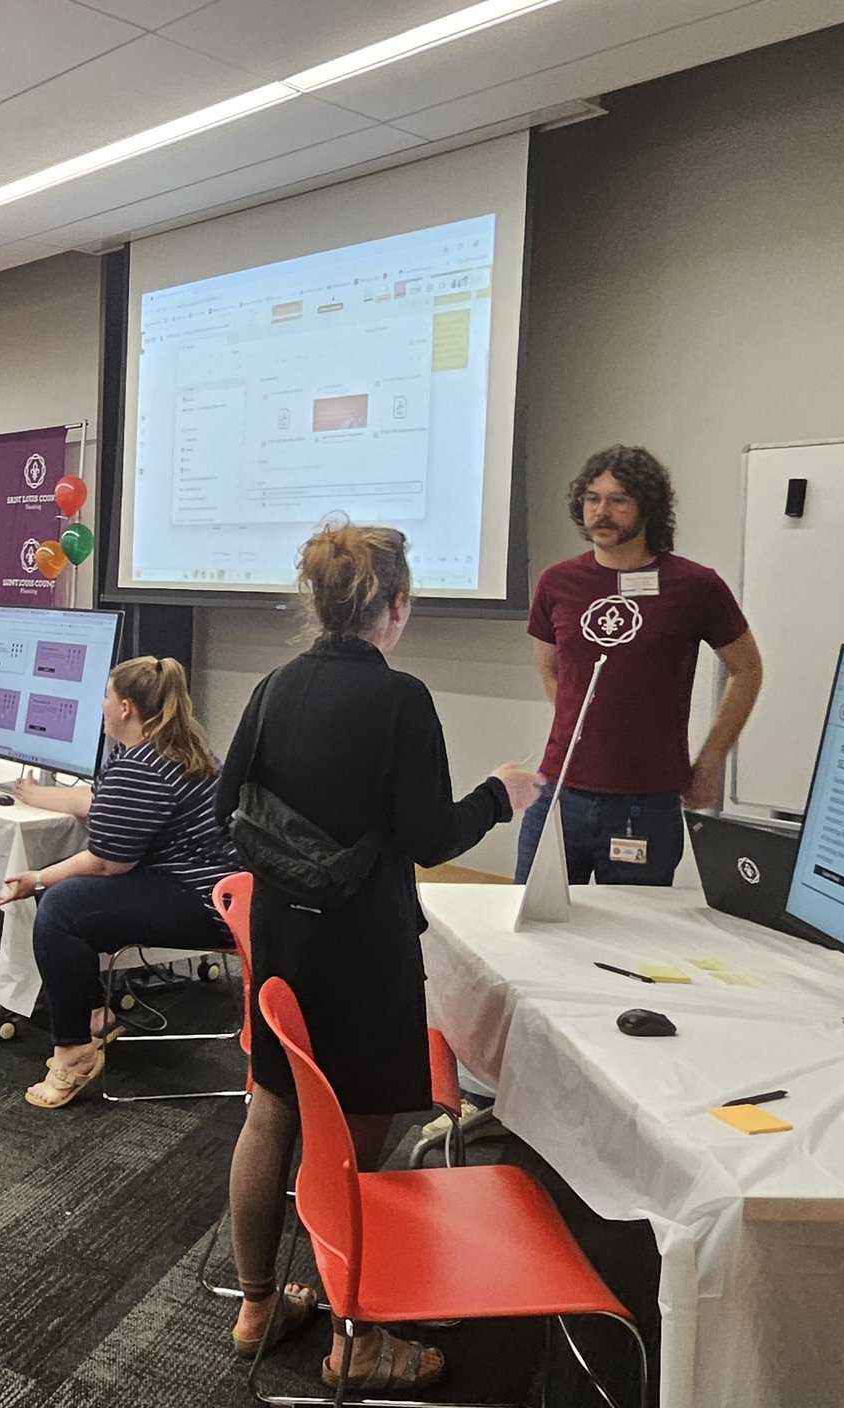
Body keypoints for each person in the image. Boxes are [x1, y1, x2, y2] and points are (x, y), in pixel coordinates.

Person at [215, 522, 542, 1390]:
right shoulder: (403, 700)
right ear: (396, 606)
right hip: (362, 952)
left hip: (285, 943)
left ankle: (257, 1306)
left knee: (275, 1114)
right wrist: (498, 797)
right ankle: (354, 1335)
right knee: (347, 1147)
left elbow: (227, 810)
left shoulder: (273, 686)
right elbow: (431, 834)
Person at [0, 657, 243, 1108]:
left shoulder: (141, 765)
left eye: (106, 697)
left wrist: (34, 879)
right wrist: (33, 793)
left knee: (61, 909)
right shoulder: (172, 745)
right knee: (69, 903)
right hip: (222, 892)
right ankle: (94, 1015)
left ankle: (75, 1053)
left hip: (206, 903)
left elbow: (108, 863)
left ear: (126, 707)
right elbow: (97, 800)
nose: (102, 705)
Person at [515, 445, 763, 885]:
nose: (601, 512)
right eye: (592, 498)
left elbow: (747, 670)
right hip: (559, 793)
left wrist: (710, 759)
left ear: (648, 507)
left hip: (646, 804)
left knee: (630, 944)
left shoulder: (695, 586)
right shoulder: (557, 582)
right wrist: (590, 728)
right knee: (532, 927)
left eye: (618, 500)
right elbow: (554, 673)